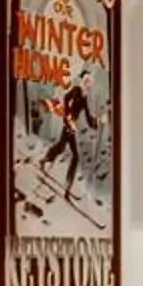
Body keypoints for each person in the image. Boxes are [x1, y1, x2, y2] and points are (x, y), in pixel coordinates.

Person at [41, 69, 92, 204]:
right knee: (72, 153)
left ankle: (46, 160)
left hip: (71, 126)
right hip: (68, 123)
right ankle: (66, 188)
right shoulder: (75, 90)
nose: (87, 82)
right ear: (81, 80)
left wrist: (99, 122)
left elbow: (88, 118)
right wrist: (68, 116)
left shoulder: (85, 98)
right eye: (86, 80)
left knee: (62, 147)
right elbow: (65, 98)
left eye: (89, 81)